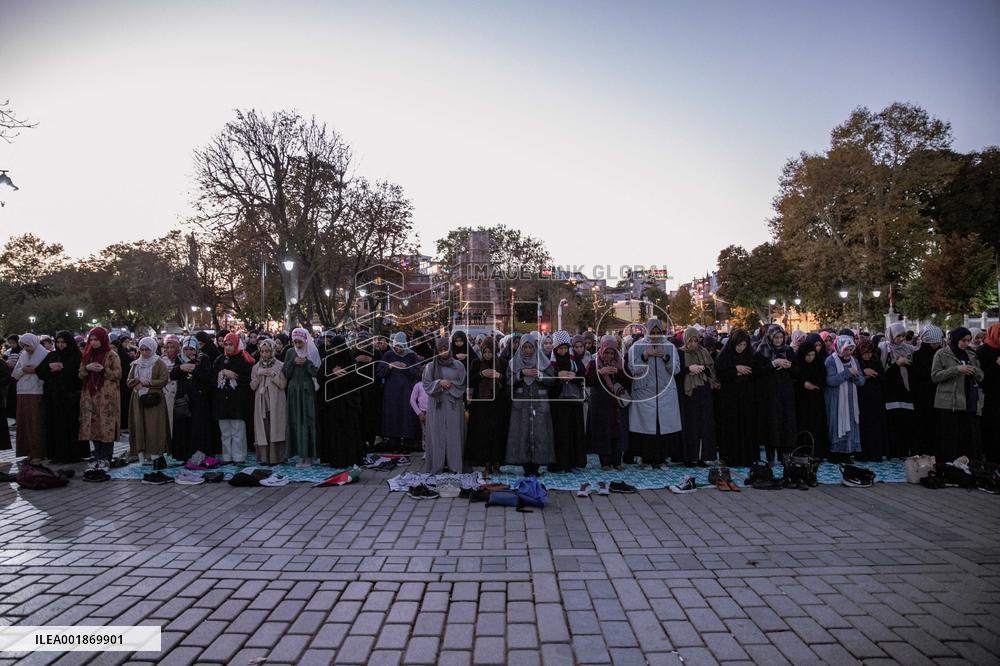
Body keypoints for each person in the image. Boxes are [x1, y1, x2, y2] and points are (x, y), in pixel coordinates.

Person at [627, 319, 681, 468]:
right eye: (653, 332)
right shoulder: (637, 347)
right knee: (645, 427)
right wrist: (645, 355)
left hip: (665, 393)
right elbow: (633, 369)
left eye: (658, 332)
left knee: (662, 426)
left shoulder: (669, 347)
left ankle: (661, 459)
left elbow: (676, 369)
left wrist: (666, 358)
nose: (655, 335)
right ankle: (646, 459)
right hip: (644, 393)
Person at [506, 331, 556, 476]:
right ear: (521, 348)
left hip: (540, 404)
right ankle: (525, 466)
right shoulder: (513, 363)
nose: (528, 350)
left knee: (540, 433)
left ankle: (537, 466)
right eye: (525, 347)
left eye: (530, 347)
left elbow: (552, 380)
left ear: (535, 347)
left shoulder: (543, 362)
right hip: (520, 405)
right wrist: (521, 374)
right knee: (521, 433)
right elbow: (507, 381)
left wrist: (539, 375)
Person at [931, 327, 984, 461]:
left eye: (968, 340)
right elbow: (935, 376)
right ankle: (949, 464)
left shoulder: (970, 354)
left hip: (969, 400)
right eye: (963, 340)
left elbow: (981, 376)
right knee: (950, 436)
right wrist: (956, 369)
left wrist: (974, 370)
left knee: (967, 436)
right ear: (955, 339)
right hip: (950, 402)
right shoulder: (942, 354)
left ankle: (966, 464)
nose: (966, 343)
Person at [36, 330, 86, 462]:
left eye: (63, 342)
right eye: (58, 342)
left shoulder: (76, 356)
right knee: (55, 425)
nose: (60, 345)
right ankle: (56, 454)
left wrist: (64, 368)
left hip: (70, 398)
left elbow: (79, 374)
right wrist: (49, 366)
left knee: (71, 426)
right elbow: (39, 370)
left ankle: (73, 454)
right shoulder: (52, 355)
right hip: (53, 397)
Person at [422, 336, 468, 473]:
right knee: (437, 435)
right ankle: (437, 465)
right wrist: (439, 383)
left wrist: (450, 385)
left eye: (445, 349)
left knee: (454, 435)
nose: (443, 352)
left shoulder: (458, 365)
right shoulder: (430, 367)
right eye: (440, 350)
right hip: (437, 405)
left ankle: (455, 466)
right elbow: (426, 384)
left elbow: (463, 383)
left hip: (454, 404)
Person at [319, 335, 365, 468]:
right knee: (334, 432)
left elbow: (355, 380)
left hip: (348, 403)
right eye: (335, 348)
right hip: (332, 404)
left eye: (340, 348)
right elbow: (320, 377)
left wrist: (343, 374)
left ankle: (350, 458)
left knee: (348, 431)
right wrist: (332, 373)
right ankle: (334, 459)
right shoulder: (328, 360)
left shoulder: (350, 359)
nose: (337, 351)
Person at [715, 329, 759, 467]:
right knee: (731, 428)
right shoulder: (725, 356)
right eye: (739, 345)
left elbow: (755, 373)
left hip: (746, 397)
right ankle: (730, 458)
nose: (741, 348)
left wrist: (742, 372)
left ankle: (747, 457)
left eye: (744, 345)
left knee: (746, 427)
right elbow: (720, 374)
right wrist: (735, 370)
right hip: (730, 399)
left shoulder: (750, 355)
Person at [78, 327, 122, 467]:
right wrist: (87, 368)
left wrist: (104, 370)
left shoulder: (112, 355)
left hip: (106, 396)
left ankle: (106, 457)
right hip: (90, 395)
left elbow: (118, 374)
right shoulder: (88, 355)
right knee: (93, 426)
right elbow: (80, 374)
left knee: (106, 426)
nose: (93, 342)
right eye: (91, 340)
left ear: (103, 339)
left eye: (96, 340)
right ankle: (97, 456)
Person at [586, 334, 631, 470]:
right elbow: (588, 381)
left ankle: (617, 461)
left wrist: (618, 372)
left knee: (617, 431)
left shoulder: (620, 362)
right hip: (600, 404)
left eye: (612, 353)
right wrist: (601, 372)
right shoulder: (593, 363)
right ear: (601, 349)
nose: (609, 356)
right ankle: (604, 462)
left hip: (616, 404)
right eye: (607, 352)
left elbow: (630, 379)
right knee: (602, 431)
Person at [547, 330, 587, 473]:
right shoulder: (550, 362)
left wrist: (573, 376)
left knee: (574, 432)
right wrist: (558, 376)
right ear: (555, 348)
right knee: (560, 433)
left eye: (565, 348)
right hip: (558, 403)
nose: (563, 351)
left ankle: (573, 463)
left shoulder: (574, 360)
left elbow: (583, 375)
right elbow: (546, 379)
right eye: (560, 348)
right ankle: (559, 464)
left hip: (574, 402)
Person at [466, 337, 507, 474]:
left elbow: (508, 382)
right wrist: (481, 374)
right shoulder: (477, 363)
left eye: (490, 352)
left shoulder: (502, 363)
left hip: (498, 404)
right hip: (481, 405)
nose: (487, 355)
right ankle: (486, 462)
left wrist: (499, 376)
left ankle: (497, 462)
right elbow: (470, 382)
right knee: (483, 433)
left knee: (497, 433)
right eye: (485, 352)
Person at [676, 327, 717, 465]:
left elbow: (711, 370)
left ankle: (703, 456)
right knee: (690, 425)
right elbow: (676, 372)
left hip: (703, 391)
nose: (693, 344)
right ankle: (690, 456)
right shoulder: (680, 353)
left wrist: (703, 369)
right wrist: (689, 369)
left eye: (695, 341)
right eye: (690, 341)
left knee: (704, 424)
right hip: (688, 393)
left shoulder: (703, 352)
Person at [127, 337, 170, 463]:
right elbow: (129, 381)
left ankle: (155, 454)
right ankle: (142, 455)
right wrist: (138, 381)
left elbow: (164, 379)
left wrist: (148, 383)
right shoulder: (136, 364)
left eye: (147, 350)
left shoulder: (159, 363)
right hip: (138, 399)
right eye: (142, 350)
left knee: (154, 427)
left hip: (154, 399)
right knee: (139, 426)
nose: (145, 352)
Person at [377, 332, 423, 452]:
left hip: (407, 392)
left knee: (406, 416)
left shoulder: (412, 356)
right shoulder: (388, 355)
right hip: (391, 393)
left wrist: (405, 367)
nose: (398, 349)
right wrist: (390, 366)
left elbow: (418, 373)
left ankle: (408, 442)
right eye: (396, 346)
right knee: (393, 416)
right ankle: (394, 442)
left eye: (400, 346)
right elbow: (380, 372)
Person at [213, 331, 253, 464]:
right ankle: (227, 456)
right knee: (225, 431)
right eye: (226, 344)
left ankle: (239, 456)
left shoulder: (243, 359)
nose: (228, 347)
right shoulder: (220, 360)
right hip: (222, 401)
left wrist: (234, 377)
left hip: (238, 401)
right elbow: (212, 377)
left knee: (237, 430)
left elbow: (248, 379)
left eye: (231, 344)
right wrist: (223, 373)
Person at [171, 336, 213, 461]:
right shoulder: (180, 359)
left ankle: (198, 453)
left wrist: (195, 369)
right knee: (183, 427)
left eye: (191, 349)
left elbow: (207, 377)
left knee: (197, 427)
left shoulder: (203, 358)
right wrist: (180, 368)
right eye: (186, 349)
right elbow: (172, 375)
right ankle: (184, 455)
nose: (189, 352)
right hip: (183, 398)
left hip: (198, 399)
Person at [825, 335, 865, 462]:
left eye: (851, 349)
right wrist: (847, 373)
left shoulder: (854, 361)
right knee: (837, 424)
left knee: (851, 423)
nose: (848, 352)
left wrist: (855, 377)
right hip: (836, 400)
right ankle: (836, 453)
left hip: (851, 400)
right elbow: (830, 381)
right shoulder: (831, 361)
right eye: (846, 349)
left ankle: (848, 452)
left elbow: (861, 381)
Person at [284, 327, 320, 466]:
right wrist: (292, 362)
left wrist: (306, 363)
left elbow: (317, 372)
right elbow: (286, 372)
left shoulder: (312, 352)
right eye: (295, 342)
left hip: (307, 390)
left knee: (308, 419)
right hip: (293, 390)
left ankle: (310, 455)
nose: (298, 345)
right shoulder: (290, 352)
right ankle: (300, 455)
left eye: (300, 342)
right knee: (295, 420)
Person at [879, 322, 916, 459]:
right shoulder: (884, 349)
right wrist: (897, 364)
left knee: (906, 421)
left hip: (906, 391)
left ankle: (904, 451)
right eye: (898, 336)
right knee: (892, 422)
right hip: (891, 391)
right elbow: (882, 371)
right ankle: (892, 451)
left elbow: (914, 369)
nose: (901, 339)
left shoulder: (909, 349)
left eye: (903, 336)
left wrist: (906, 363)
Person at [791, 333, 829, 460]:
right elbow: (794, 380)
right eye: (808, 355)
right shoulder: (798, 364)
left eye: (812, 355)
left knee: (817, 425)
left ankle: (818, 451)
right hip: (802, 401)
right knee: (803, 425)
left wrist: (815, 384)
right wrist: (803, 384)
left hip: (816, 400)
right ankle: (803, 451)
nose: (811, 358)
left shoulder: (819, 364)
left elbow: (823, 379)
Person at [250, 338, 287, 465]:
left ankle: (277, 457)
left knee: (275, 428)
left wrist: (273, 375)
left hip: (276, 402)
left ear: (272, 351)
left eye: (267, 351)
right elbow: (252, 386)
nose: (264, 354)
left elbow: (283, 384)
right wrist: (259, 376)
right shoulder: (256, 367)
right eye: (262, 351)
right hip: (261, 403)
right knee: (263, 429)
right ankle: (264, 458)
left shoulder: (280, 365)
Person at [12, 333, 48, 461]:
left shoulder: (44, 354)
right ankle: (28, 452)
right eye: (23, 346)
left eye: (27, 345)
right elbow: (15, 374)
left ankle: (38, 452)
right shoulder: (23, 355)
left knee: (36, 423)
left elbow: (46, 372)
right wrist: (23, 370)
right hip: (22, 392)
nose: (26, 348)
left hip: (37, 391)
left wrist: (36, 370)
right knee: (25, 423)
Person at [910, 326, 944, 455]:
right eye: (933, 343)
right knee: (923, 423)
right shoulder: (918, 355)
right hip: (923, 395)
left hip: (939, 393)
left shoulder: (942, 353)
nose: (936, 345)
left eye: (937, 343)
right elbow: (918, 376)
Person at [856, 338, 888, 461]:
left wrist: (874, 375)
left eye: (869, 352)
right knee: (863, 426)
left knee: (875, 426)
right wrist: (863, 373)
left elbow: (883, 379)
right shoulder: (857, 362)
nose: (867, 355)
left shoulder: (876, 361)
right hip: (861, 400)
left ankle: (876, 453)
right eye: (865, 353)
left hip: (875, 400)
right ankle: (863, 453)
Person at [978, 324, 1000, 462]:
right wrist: (996, 365)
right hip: (990, 396)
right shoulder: (983, 351)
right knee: (992, 426)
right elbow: (980, 375)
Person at [161, 335, 181, 435]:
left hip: (179, 393)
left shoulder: (181, 360)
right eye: (167, 347)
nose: (169, 350)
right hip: (166, 393)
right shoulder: (161, 361)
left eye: (172, 347)